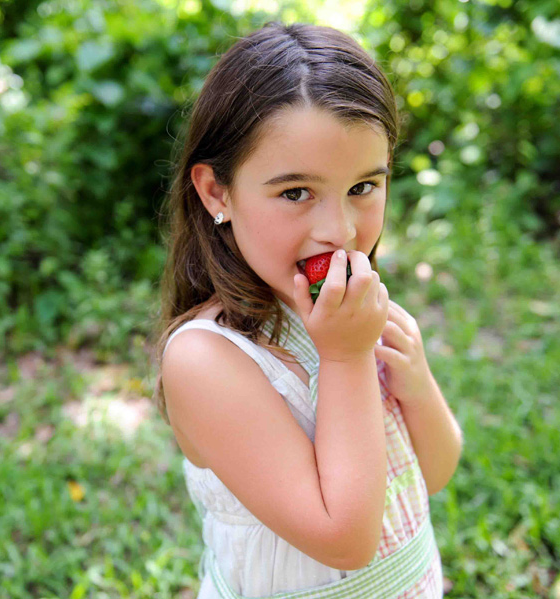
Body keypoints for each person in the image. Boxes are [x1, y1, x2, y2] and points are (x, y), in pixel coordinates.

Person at [152, 21, 463, 599]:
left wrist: (416, 384)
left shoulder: (348, 311)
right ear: (217, 192)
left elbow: (434, 473)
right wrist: (345, 360)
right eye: (296, 193)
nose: (340, 231)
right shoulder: (205, 360)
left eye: (364, 187)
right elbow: (344, 539)